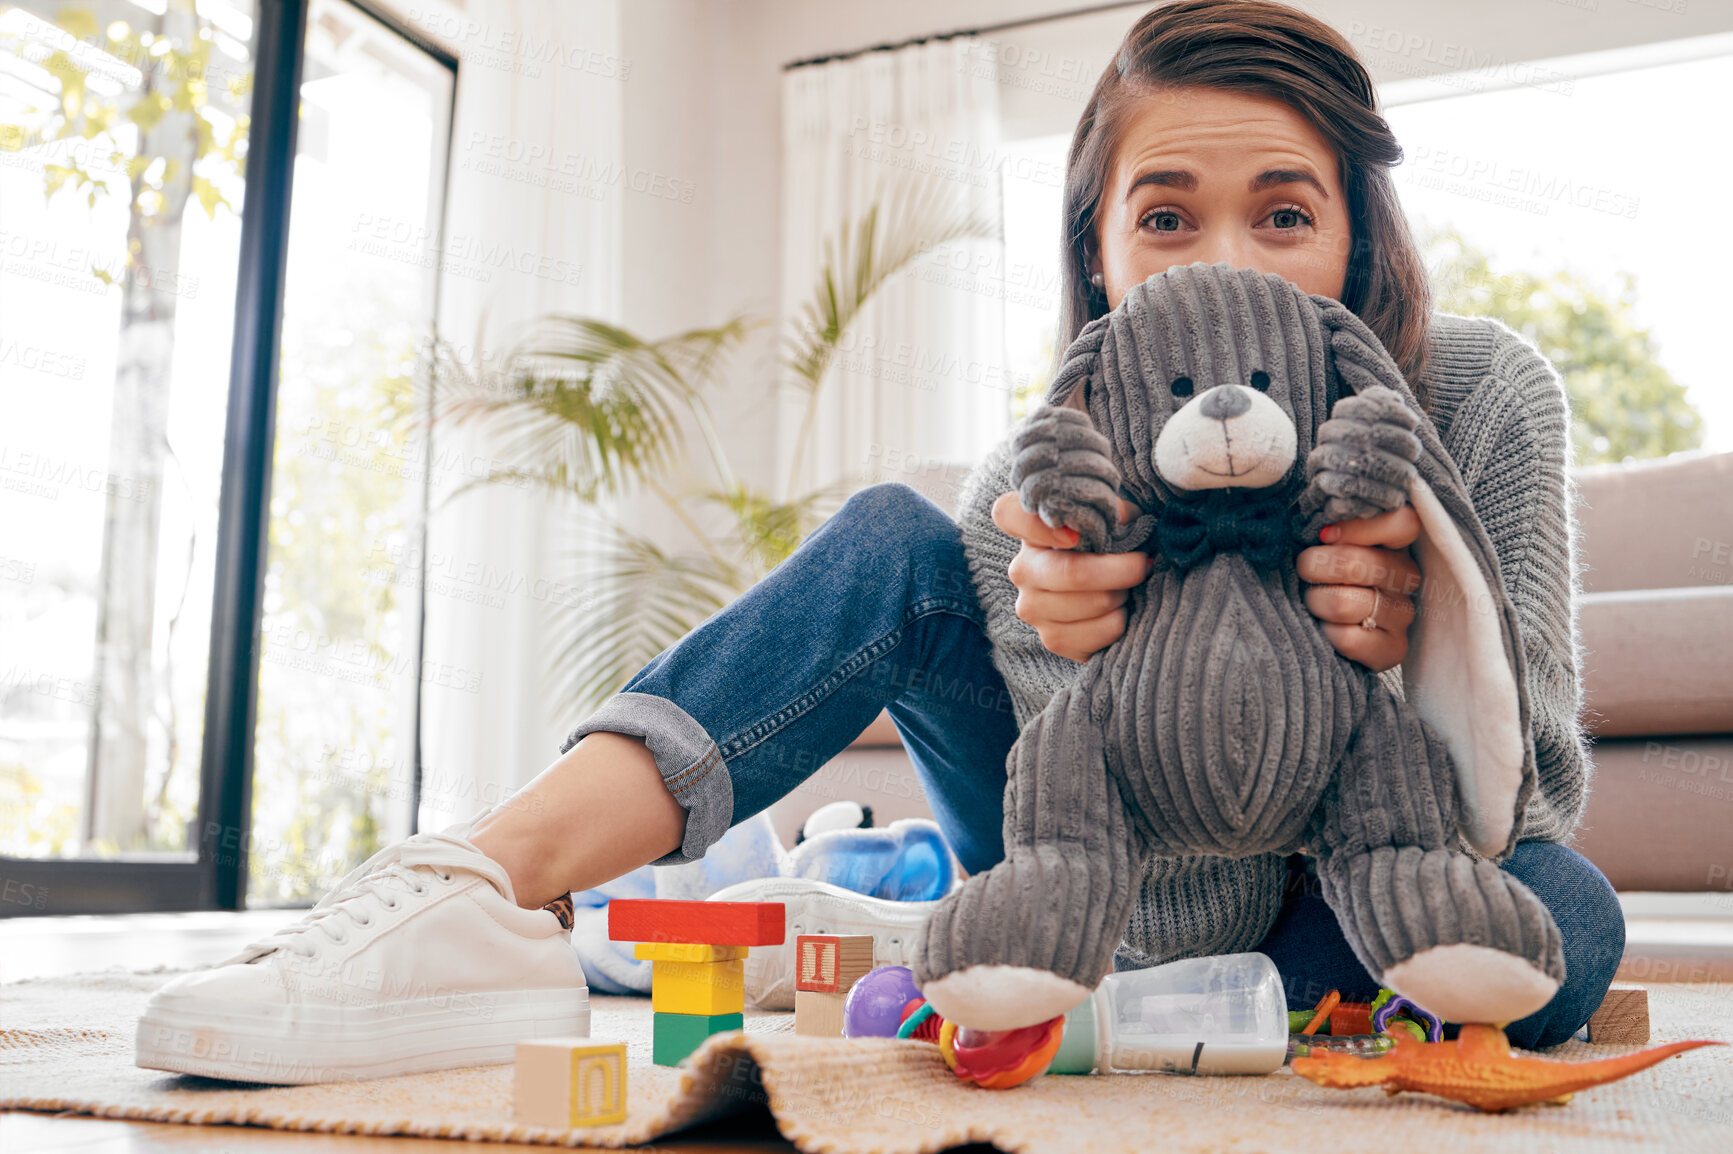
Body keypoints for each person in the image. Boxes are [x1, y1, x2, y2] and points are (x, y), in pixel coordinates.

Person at [135, 0, 1623, 1083]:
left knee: (1565, 917)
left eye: (1283, 213)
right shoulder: (1054, 461)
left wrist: (1414, 641)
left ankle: (1008, 989)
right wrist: (1059, 649)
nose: (1222, 263)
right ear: (1098, 255)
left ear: (1354, 239)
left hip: (1339, 897)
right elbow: (1107, 842)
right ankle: (468, 890)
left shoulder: (1475, 395)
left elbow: (1537, 796)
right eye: (1165, 218)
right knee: (887, 531)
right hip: (1087, 875)